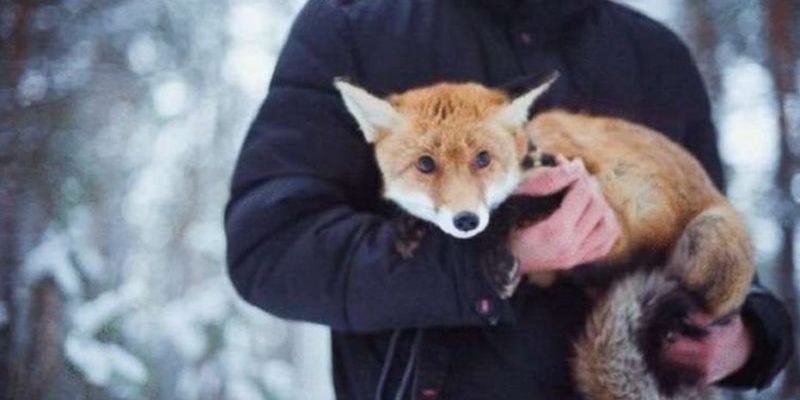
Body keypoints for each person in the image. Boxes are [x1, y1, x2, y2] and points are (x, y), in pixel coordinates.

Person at [224, 0, 794, 398]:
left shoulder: (656, 55)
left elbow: (714, 229)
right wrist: (495, 257)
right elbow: (271, 247)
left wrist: (746, 340)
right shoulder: (354, 26)